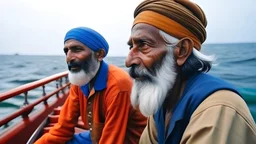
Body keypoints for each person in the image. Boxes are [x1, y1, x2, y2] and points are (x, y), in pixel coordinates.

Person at [125, 0, 256, 144]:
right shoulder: (161, 105)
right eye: (131, 46)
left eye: (143, 45)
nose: (129, 61)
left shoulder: (218, 109)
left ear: (182, 50)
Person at [35, 27, 147, 144]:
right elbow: (62, 129)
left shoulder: (118, 86)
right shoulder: (80, 81)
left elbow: (112, 140)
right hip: (97, 137)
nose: (68, 57)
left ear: (99, 54)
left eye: (76, 49)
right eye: (66, 51)